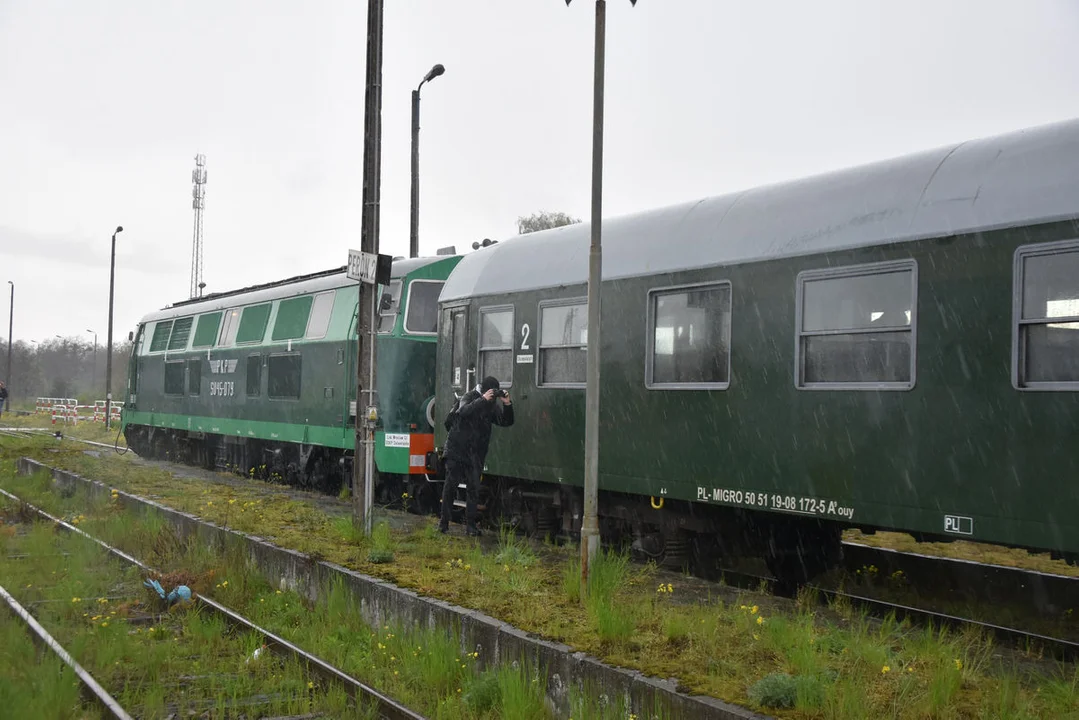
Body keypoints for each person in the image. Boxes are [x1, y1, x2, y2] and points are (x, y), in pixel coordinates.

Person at [439, 375, 514, 536]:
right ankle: (443, 524)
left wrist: (507, 404)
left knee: (474, 489)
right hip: (457, 450)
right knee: (450, 487)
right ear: (485, 390)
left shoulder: (492, 406)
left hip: (475, 454)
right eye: (491, 393)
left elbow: (506, 421)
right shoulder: (469, 396)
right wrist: (482, 399)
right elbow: (463, 411)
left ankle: (471, 526)